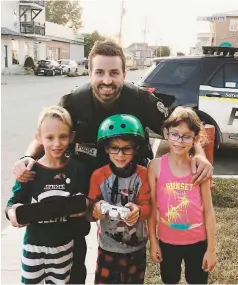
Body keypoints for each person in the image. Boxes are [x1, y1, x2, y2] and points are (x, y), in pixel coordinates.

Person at [12, 40, 213, 284]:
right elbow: (47, 130)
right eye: (100, 72)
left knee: (128, 247)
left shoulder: (140, 99)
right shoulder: (74, 100)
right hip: (85, 183)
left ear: (124, 74)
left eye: (114, 73)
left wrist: (200, 154)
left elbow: (179, 126)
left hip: (131, 183)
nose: (107, 80)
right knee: (73, 248)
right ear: (90, 73)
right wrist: (27, 158)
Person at [6, 106, 89, 284]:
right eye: (49, 138)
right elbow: (13, 203)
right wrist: (12, 213)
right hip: (33, 247)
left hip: (64, 247)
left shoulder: (77, 169)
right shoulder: (29, 170)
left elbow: (85, 201)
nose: (57, 143)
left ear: (71, 137)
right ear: (38, 137)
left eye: (63, 137)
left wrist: (85, 206)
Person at [148, 106, 216, 284]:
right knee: (170, 280)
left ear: (195, 139)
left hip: (198, 242)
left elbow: (208, 211)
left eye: (187, 136)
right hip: (167, 242)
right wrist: (153, 242)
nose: (179, 140)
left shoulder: (199, 169)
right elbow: (152, 208)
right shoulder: (155, 167)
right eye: (175, 134)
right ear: (166, 133)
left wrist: (211, 249)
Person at [88, 114, 150, 284]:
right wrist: (95, 210)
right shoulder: (98, 176)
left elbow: (149, 207)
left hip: (136, 248)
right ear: (106, 148)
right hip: (108, 247)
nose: (120, 154)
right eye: (114, 148)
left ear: (136, 148)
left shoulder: (143, 175)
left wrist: (139, 211)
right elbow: (90, 210)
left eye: (127, 148)